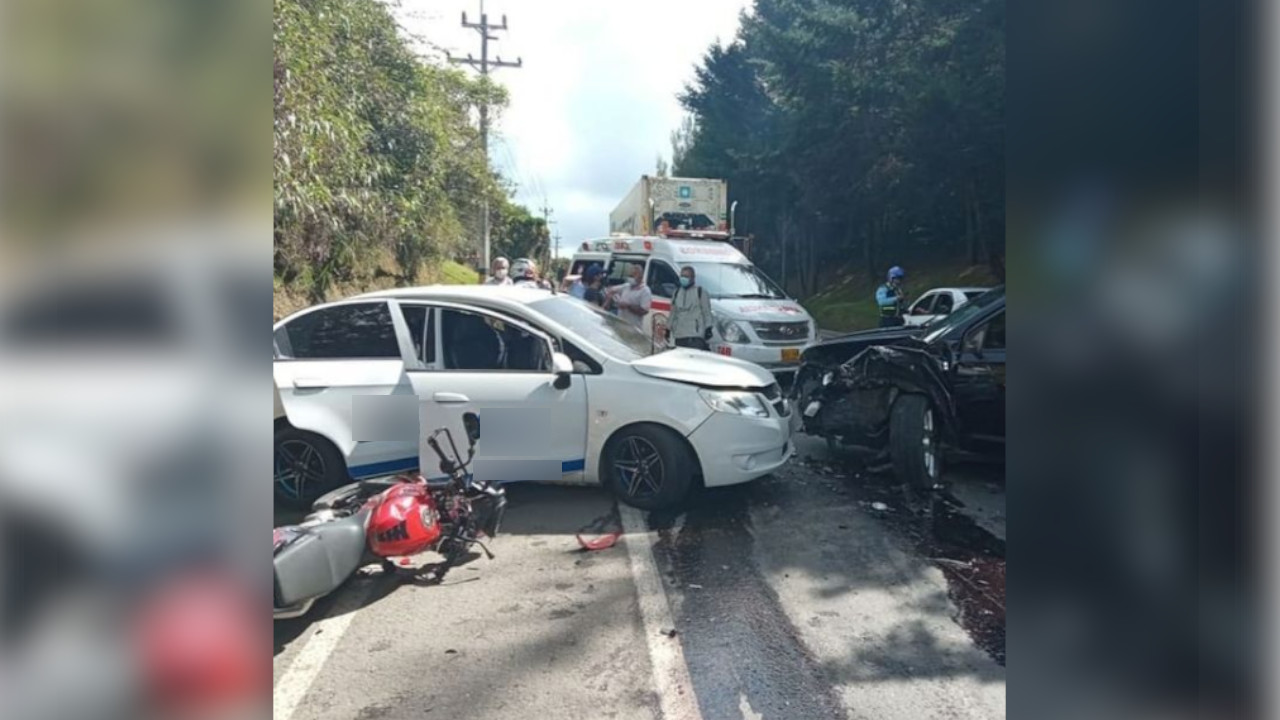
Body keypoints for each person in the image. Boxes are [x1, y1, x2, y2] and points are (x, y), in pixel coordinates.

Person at [666, 265, 714, 350]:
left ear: (693, 278)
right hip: (680, 335)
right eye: (682, 276)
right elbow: (673, 313)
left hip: (695, 336)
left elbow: (706, 312)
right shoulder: (677, 293)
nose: (683, 278)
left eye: (686, 276)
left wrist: (708, 328)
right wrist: (668, 328)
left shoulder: (700, 292)